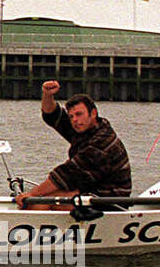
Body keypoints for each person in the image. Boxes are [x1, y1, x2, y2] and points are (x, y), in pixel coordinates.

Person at [14, 81, 131, 210]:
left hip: (110, 201)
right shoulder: (84, 128)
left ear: (93, 113)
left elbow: (65, 175)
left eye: (79, 114)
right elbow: (52, 115)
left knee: (40, 203)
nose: (75, 120)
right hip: (90, 189)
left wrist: (31, 195)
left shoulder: (102, 143)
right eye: (71, 116)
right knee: (42, 197)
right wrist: (47, 95)